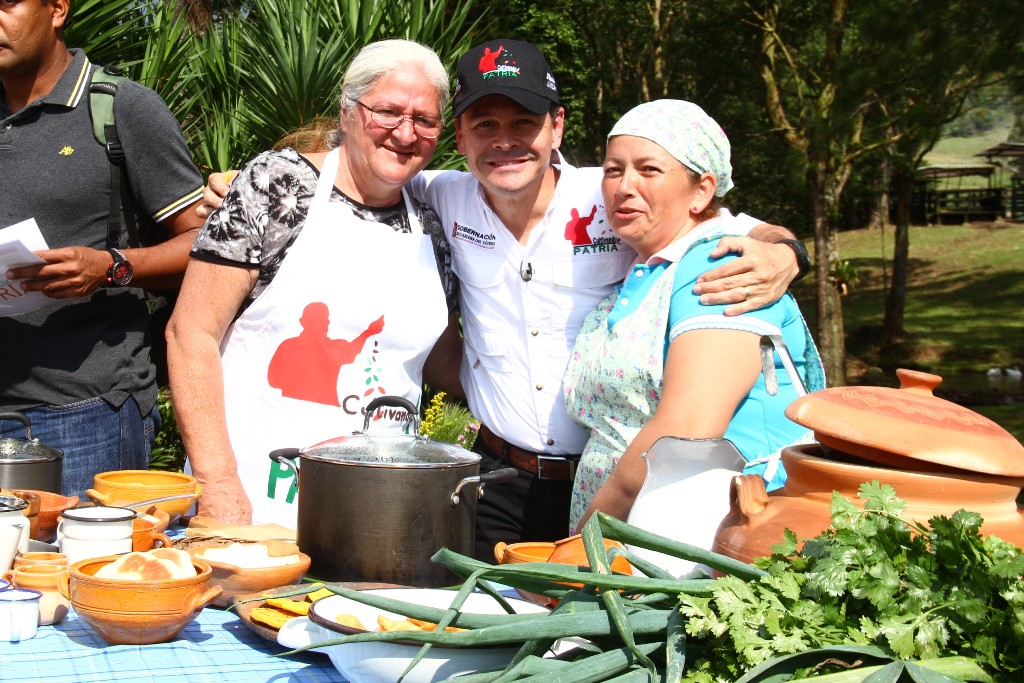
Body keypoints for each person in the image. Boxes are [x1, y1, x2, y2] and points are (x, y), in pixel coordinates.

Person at [199, 39, 810, 557]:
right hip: (495, 482)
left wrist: (785, 250)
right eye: (484, 124)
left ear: (557, 127)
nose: (505, 142)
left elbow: (710, 219)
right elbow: (353, 174)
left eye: (523, 122)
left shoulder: (612, 197)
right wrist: (250, 185)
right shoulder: (441, 196)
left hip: (615, 484)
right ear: (458, 136)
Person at [166, 39, 460, 526]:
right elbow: (190, 333)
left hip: (375, 511)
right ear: (347, 111)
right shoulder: (276, 184)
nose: (405, 133)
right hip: (253, 502)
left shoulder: (431, 226)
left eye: (424, 120)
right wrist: (217, 484)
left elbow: (442, 363)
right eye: (387, 111)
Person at [565, 99, 824, 533]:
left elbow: (684, 431)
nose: (624, 186)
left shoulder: (719, 265)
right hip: (638, 541)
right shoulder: (648, 268)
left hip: (718, 539)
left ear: (702, 191)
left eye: (648, 170)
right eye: (613, 169)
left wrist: (580, 545)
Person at [0, 0, 205, 498]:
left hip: (83, 415)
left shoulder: (120, 107)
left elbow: (208, 242)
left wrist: (111, 267)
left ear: (56, 9)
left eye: (8, 3)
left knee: (77, 574)